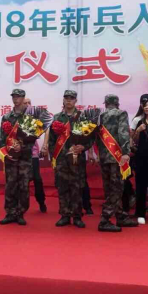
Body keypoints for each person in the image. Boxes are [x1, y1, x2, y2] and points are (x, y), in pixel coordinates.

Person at [47, 90, 92, 228]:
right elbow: (51, 140)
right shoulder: (57, 117)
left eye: (71, 98)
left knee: (77, 187)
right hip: (61, 159)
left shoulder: (82, 117)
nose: (68, 100)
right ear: (63, 100)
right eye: (66, 98)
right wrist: (54, 155)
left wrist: (83, 147)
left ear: (75, 101)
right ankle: (65, 215)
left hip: (77, 159)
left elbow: (90, 138)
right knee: (62, 187)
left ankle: (77, 216)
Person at [96, 94, 138, 232]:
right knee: (117, 188)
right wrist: (125, 152)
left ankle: (120, 216)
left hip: (104, 157)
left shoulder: (100, 116)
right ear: (117, 103)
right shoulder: (121, 113)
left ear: (105, 103)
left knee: (109, 188)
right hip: (116, 157)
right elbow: (123, 133)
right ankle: (105, 219)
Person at [0, 89, 34, 226]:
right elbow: (2, 138)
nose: (16, 99)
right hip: (11, 157)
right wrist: (6, 153)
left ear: (23, 98)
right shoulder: (7, 117)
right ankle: (10, 213)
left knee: (23, 186)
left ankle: (20, 213)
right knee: (10, 185)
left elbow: (32, 138)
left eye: (18, 97)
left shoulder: (30, 117)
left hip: (24, 158)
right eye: (14, 96)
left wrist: (22, 147)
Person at [24, 97, 47, 213]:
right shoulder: (17, 117)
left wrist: (45, 145)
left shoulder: (36, 117)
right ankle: (22, 205)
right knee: (23, 181)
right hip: (21, 155)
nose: (27, 104)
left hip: (33, 154)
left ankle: (41, 201)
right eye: (25, 103)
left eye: (29, 102)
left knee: (37, 179)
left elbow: (47, 128)